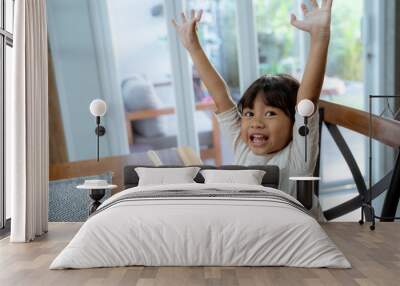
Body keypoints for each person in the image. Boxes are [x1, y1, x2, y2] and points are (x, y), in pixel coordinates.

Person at [172, 0, 333, 221]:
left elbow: (308, 101)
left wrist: (320, 38)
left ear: (294, 122)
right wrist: (193, 46)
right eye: (249, 114)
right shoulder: (243, 145)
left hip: (300, 243)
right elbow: (221, 98)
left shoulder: (298, 159)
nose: (256, 122)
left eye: (270, 113)